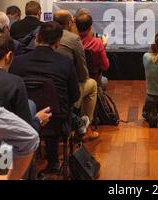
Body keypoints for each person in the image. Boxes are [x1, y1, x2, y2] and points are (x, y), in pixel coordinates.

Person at [9, 22, 83, 173]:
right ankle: (53, 161)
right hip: (57, 120)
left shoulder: (18, 62)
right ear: (58, 42)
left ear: (37, 37)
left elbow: (13, 91)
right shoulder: (65, 63)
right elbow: (75, 95)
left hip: (24, 119)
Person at [54, 10, 99, 141]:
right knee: (92, 84)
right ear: (69, 23)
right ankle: (86, 128)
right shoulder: (73, 38)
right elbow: (83, 73)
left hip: (41, 94)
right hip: (65, 92)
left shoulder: (40, 36)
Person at [75, 10, 110, 83]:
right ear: (90, 27)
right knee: (105, 81)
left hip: (75, 79)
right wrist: (104, 44)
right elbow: (105, 66)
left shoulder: (71, 41)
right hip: (93, 79)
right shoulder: (97, 43)